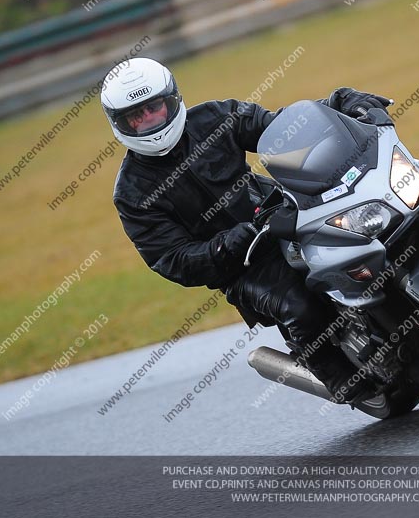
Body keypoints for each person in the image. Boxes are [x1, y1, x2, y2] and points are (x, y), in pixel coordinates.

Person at [103, 57, 391, 404]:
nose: (149, 119)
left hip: (286, 213)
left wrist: (339, 103)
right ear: (120, 123)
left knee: (373, 230)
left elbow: (285, 127)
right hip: (243, 266)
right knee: (301, 307)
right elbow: (171, 259)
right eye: (137, 116)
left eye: (154, 107)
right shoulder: (132, 193)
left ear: (172, 100)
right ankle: (340, 379)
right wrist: (228, 244)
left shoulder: (214, 117)